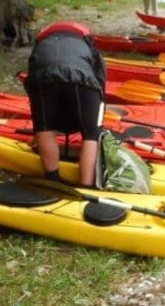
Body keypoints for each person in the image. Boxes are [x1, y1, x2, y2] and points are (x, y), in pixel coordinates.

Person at [23, 22, 106, 187]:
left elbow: (31, 83)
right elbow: (100, 81)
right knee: (91, 134)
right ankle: (86, 187)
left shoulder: (40, 46)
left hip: (42, 78)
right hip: (82, 79)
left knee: (44, 128)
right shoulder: (89, 45)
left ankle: (53, 180)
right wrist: (96, 118)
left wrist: (38, 132)